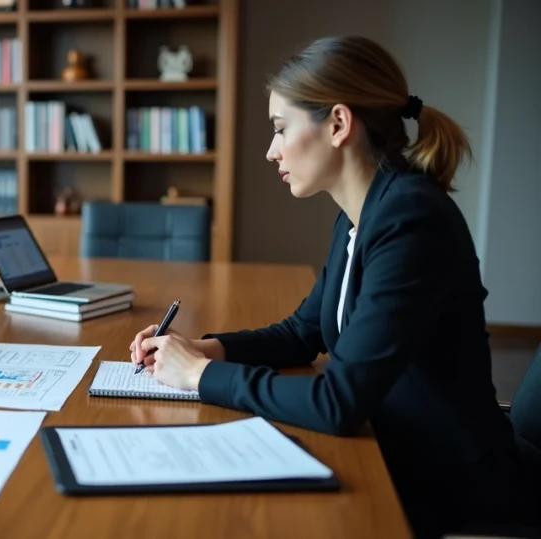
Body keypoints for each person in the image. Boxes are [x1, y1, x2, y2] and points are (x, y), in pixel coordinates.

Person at [129, 36, 537, 538]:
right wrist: (204, 347)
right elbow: (302, 332)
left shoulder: (411, 219)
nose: (270, 149)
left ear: (339, 124)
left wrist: (199, 375)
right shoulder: (359, 216)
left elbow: (337, 404)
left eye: (281, 129)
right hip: (390, 450)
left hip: (448, 487)